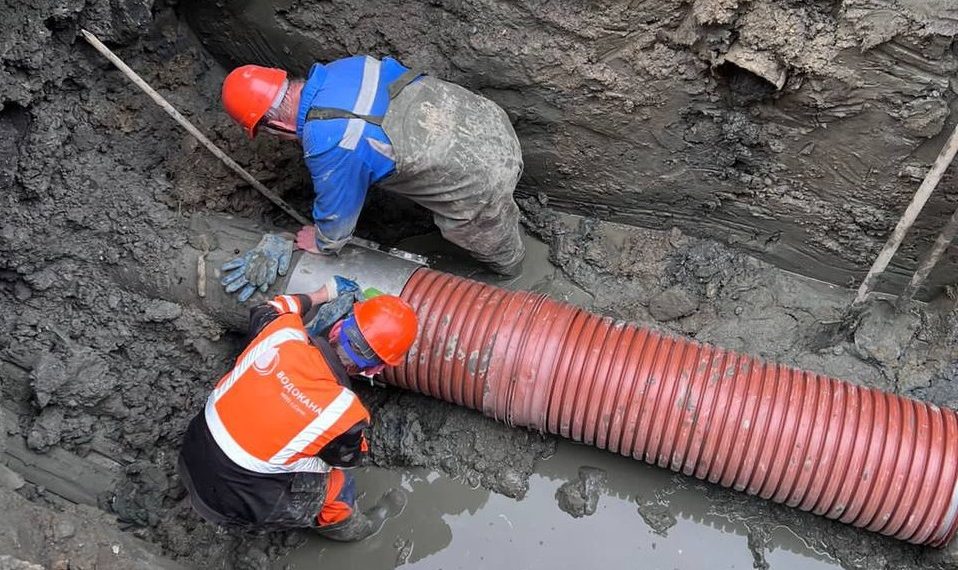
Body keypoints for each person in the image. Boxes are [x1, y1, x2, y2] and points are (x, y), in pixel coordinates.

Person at [219, 54, 526, 295]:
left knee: (482, 233)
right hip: (487, 120)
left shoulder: (329, 141)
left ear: (276, 127)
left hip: (481, 176)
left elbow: (337, 222)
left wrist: (323, 242)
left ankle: (513, 270)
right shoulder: (344, 68)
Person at [178, 276, 418, 540]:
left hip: (191, 452)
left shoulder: (282, 331)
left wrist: (322, 293)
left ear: (338, 327)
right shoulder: (345, 411)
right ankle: (347, 528)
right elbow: (348, 458)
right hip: (235, 504)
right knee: (336, 478)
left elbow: (270, 307)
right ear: (375, 369)